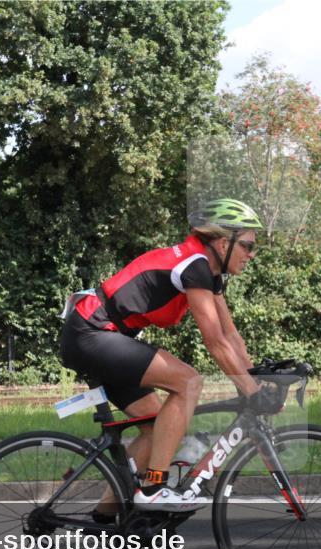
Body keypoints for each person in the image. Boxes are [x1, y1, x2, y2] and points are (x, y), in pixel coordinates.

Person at [59, 198, 281, 513]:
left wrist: (254, 380)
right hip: (92, 332)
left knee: (157, 427)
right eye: (247, 245)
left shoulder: (208, 271)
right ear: (223, 243)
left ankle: (107, 517)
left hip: (102, 335)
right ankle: (153, 488)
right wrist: (252, 391)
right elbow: (215, 342)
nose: (251, 254)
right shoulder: (195, 266)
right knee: (188, 382)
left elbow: (230, 336)